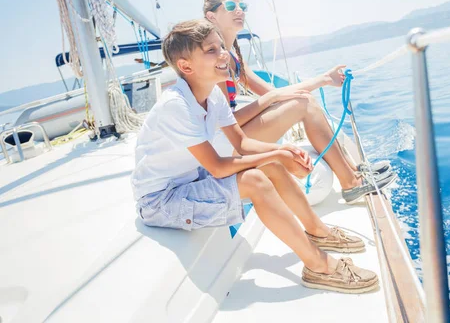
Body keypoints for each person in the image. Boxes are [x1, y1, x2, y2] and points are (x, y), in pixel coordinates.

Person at [131, 18, 378, 293]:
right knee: (256, 180)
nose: (223, 54)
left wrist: (284, 151)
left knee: (269, 166)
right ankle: (319, 266)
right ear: (186, 66)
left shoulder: (212, 95)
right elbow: (217, 167)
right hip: (160, 201)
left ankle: (318, 231)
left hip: (190, 179)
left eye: (221, 47)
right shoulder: (176, 106)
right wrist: (278, 155)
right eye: (211, 50)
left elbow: (242, 142)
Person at [204, 0, 394, 204]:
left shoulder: (233, 58)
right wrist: (268, 101)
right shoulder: (215, 61)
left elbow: (272, 91)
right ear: (211, 16)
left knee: (305, 101)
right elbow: (225, 122)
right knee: (303, 104)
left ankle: (354, 171)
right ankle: (351, 184)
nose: (239, 11)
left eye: (242, 6)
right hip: (224, 146)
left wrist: (324, 79)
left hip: (232, 138)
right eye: (230, 6)